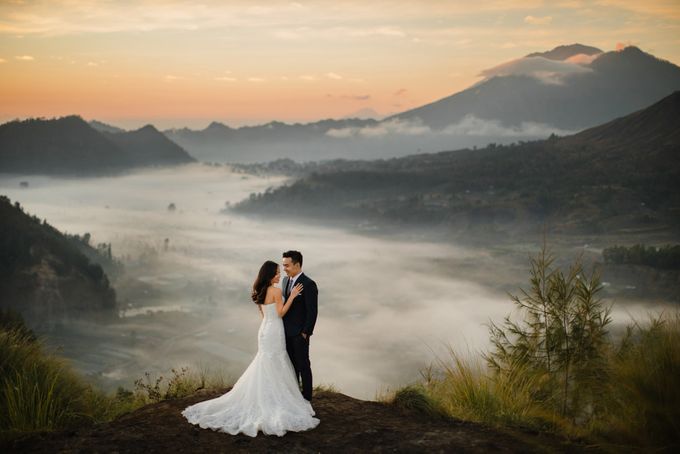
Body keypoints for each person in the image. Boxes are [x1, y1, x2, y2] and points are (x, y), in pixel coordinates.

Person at [181, 260, 320, 437]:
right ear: (269, 275)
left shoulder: (260, 291)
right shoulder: (276, 291)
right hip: (275, 329)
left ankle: (265, 396)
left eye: (280, 272)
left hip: (264, 329)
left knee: (266, 361)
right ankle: (276, 399)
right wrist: (292, 296)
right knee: (275, 361)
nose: (279, 275)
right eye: (276, 272)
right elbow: (280, 313)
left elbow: (264, 314)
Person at [281, 250, 318, 401]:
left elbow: (312, 311)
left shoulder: (309, 284)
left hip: (299, 334)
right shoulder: (285, 281)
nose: (284, 268)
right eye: (283, 265)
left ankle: (307, 398)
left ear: (297, 264)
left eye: (287, 265)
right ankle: (295, 396)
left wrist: (305, 333)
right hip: (285, 332)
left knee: (303, 366)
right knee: (291, 367)